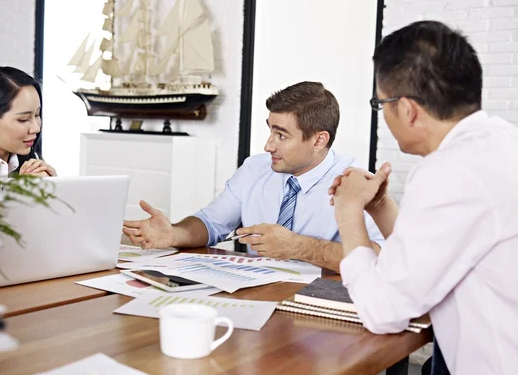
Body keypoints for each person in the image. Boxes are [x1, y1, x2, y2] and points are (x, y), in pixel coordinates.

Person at [329, 20, 518, 374]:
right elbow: (429, 258)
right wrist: (380, 206)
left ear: (407, 109)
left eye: (380, 102)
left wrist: (348, 211)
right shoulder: (501, 143)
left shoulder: (450, 170)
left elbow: (384, 310)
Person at [123, 81, 383, 272]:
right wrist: (173, 234)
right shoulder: (255, 168)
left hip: (323, 307)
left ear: (319, 140)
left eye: (282, 135)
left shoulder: (355, 182)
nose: (268, 146)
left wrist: (299, 247)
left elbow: (381, 258)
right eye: (270, 131)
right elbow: (212, 224)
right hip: (257, 294)